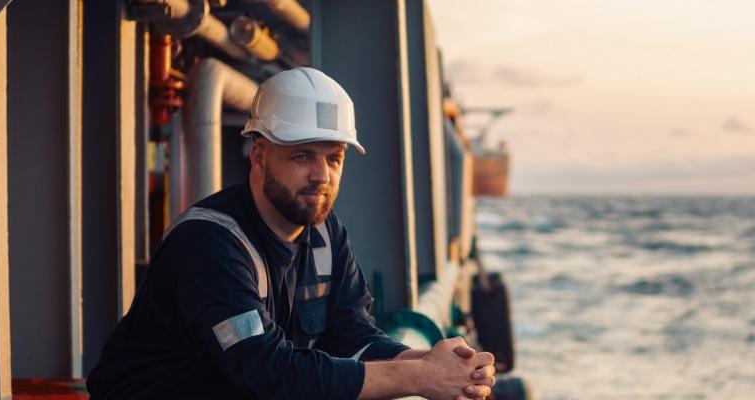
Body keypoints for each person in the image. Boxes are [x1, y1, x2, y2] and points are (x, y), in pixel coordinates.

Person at [87, 67, 496, 400]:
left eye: (334, 158)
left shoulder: (323, 229)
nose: (322, 175)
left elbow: (350, 334)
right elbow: (269, 372)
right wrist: (417, 379)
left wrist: (433, 362)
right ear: (259, 156)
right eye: (302, 155)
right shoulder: (208, 244)